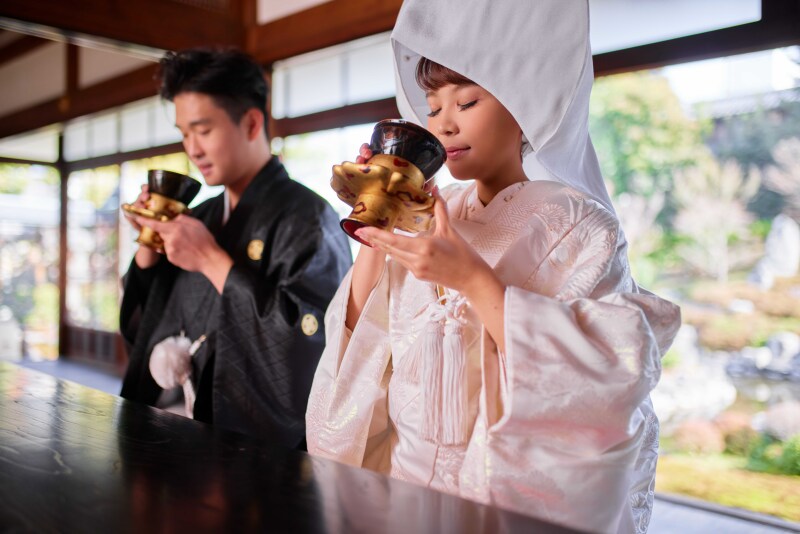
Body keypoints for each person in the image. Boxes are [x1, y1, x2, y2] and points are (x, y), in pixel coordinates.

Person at [305, 1, 681, 532]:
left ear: (524, 99)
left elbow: (608, 369)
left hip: (497, 503)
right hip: (404, 495)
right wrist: (380, 209)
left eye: (467, 100)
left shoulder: (580, 225)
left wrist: (473, 281)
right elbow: (361, 341)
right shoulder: (432, 212)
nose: (444, 123)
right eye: (432, 107)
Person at [120, 47, 352, 449]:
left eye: (203, 130)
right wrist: (150, 244)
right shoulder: (202, 215)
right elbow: (146, 328)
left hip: (256, 454)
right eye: (184, 133)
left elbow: (313, 347)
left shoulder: (309, 217)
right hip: (181, 437)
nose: (192, 148)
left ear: (251, 123)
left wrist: (212, 261)